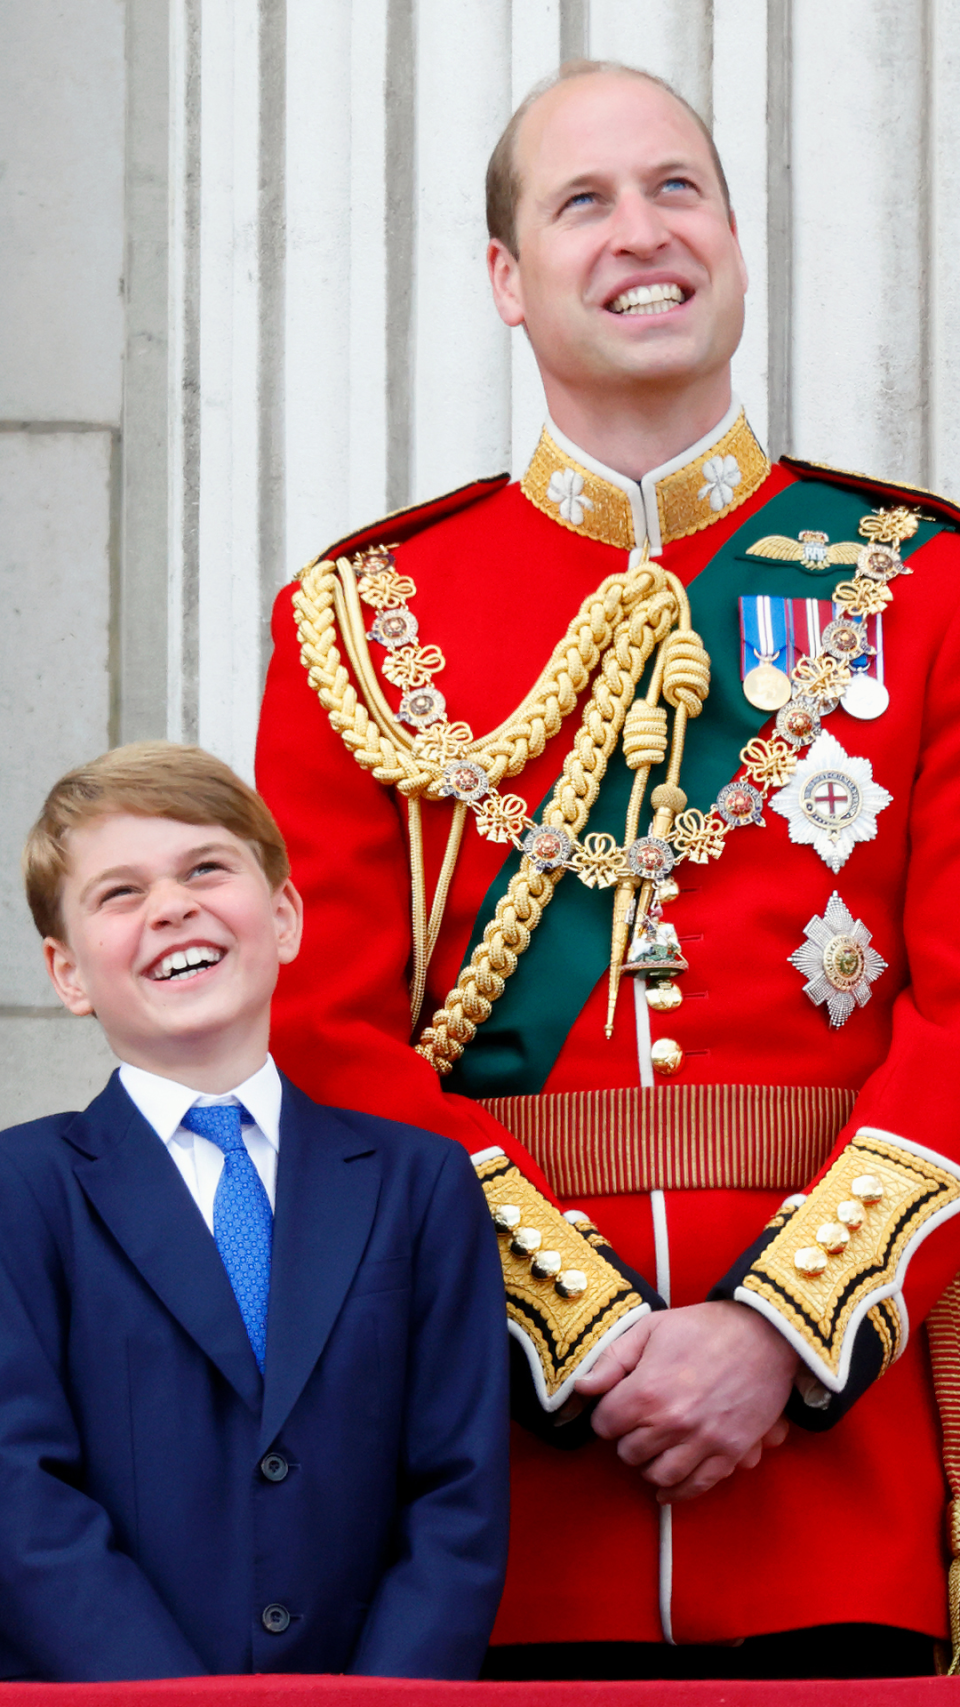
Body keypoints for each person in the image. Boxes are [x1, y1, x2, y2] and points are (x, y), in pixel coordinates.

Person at [255, 60, 960, 1680]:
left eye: (677, 188)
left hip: (833, 1489)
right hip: (488, 1497)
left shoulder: (921, 585)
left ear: (733, 238)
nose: (642, 232)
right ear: (507, 280)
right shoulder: (364, 623)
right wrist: (585, 1335)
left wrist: (780, 1332)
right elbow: (324, 1035)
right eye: (583, 201)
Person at [0, 741, 509, 1682]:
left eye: (206, 868)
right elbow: (19, 1496)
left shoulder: (419, 1184)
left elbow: (457, 1495)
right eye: (119, 893)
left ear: (283, 917)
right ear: (68, 973)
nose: (171, 906)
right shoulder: (22, 1191)